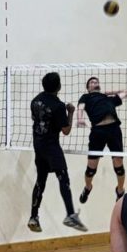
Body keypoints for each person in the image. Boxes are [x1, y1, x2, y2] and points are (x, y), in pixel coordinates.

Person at [30, 72, 85, 233]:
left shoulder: (35, 101)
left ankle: (33, 216)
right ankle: (70, 215)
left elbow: (36, 119)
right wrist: (71, 112)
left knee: (40, 181)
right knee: (63, 178)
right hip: (51, 147)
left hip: (38, 146)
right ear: (59, 86)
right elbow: (66, 130)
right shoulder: (58, 106)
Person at [77, 77, 127, 206]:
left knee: (119, 166)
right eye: (92, 82)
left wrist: (106, 93)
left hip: (114, 130)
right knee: (91, 169)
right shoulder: (86, 97)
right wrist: (80, 119)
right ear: (88, 88)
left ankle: (120, 190)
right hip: (98, 132)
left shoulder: (108, 98)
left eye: (96, 82)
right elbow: (80, 107)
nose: (95, 83)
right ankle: (88, 187)